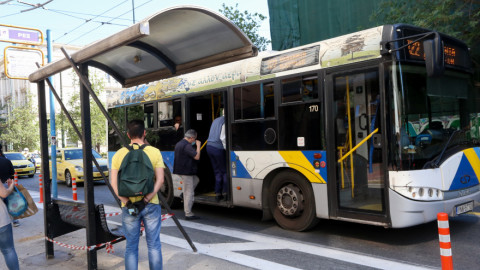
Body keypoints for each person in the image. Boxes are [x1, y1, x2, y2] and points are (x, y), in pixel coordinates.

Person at [110, 119, 165, 270]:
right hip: (151, 204)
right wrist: (146, 199)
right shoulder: (154, 152)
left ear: (128, 135)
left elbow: (114, 184)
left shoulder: (118, 155)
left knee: (131, 247)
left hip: (129, 207)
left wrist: (127, 202)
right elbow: (160, 180)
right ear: (144, 133)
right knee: (154, 245)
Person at [173, 129, 201, 220]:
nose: (194, 141)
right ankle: (188, 213)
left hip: (181, 170)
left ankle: (183, 194)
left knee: (196, 180)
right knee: (189, 192)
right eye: (194, 139)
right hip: (186, 171)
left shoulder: (179, 143)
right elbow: (197, 157)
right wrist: (198, 146)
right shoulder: (187, 146)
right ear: (192, 138)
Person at [0, 143, 20, 270]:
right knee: (8, 250)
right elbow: (3, 193)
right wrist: (11, 186)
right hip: (1, 220)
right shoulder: (5, 162)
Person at [206, 115, 228, 202]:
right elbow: (223, 137)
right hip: (218, 148)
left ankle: (218, 193)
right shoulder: (225, 121)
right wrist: (227, 149)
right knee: (224, 171)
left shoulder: (216, 120)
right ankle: (225, 193)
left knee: (217, 171)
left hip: (209, 147)